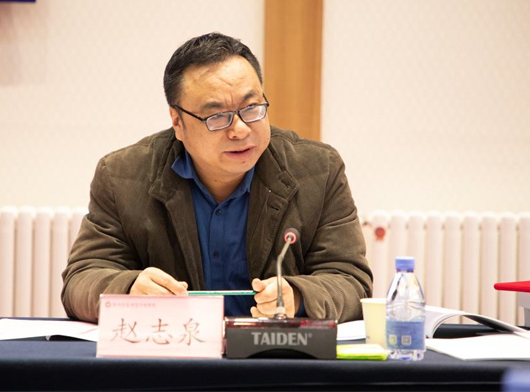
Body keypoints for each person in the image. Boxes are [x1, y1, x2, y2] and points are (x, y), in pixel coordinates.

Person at [61, 32, 373, 323]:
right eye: (217, 116)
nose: (240, 129)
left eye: (252, 107)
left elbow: (351, 281)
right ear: (178, 122)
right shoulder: (122, 176)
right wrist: (129, 289)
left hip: (273, 355)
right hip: (174, 353)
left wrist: (300, 296)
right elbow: (81, 280)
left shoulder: (318, 170)